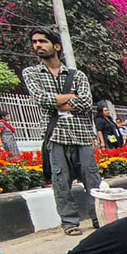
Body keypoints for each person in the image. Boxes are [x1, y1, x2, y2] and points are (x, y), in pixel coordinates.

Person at [22, 28, 102, 236]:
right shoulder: (31, 74)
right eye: (35, 42)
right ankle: (69, 221)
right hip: (55, 134)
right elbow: (41, 99)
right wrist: (69, 97)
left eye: (43, 41)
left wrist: (56, 101)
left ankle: (98, 216)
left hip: (82, 135)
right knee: (61, 180)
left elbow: (86, 103)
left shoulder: (77, 75)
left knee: (92, 179)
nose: (38, 45)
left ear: (56, 46)